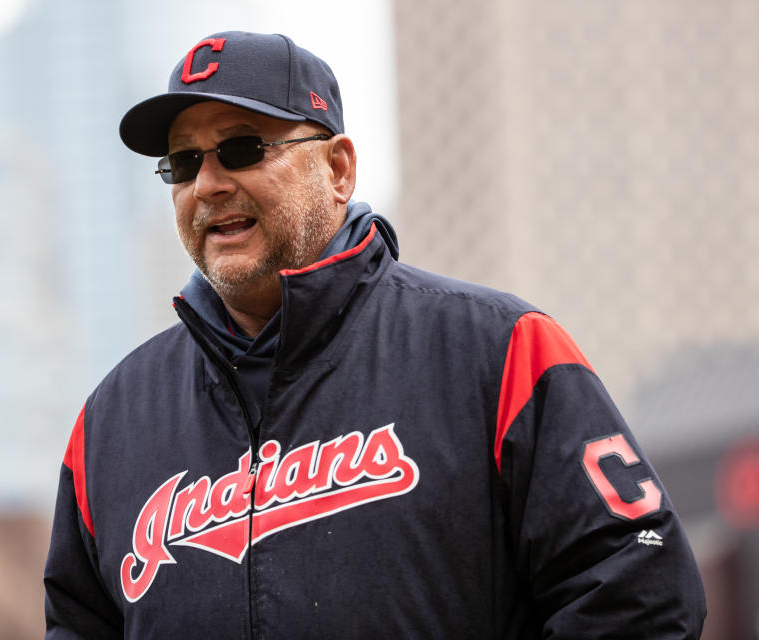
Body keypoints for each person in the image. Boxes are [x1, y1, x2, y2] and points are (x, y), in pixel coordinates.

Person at [44, 31, 707, 639]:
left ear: (338, 170)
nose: (209, 184)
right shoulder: (110, 425)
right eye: (183, 164)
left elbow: (640, 593)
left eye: (243, 148)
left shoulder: (500, 352)